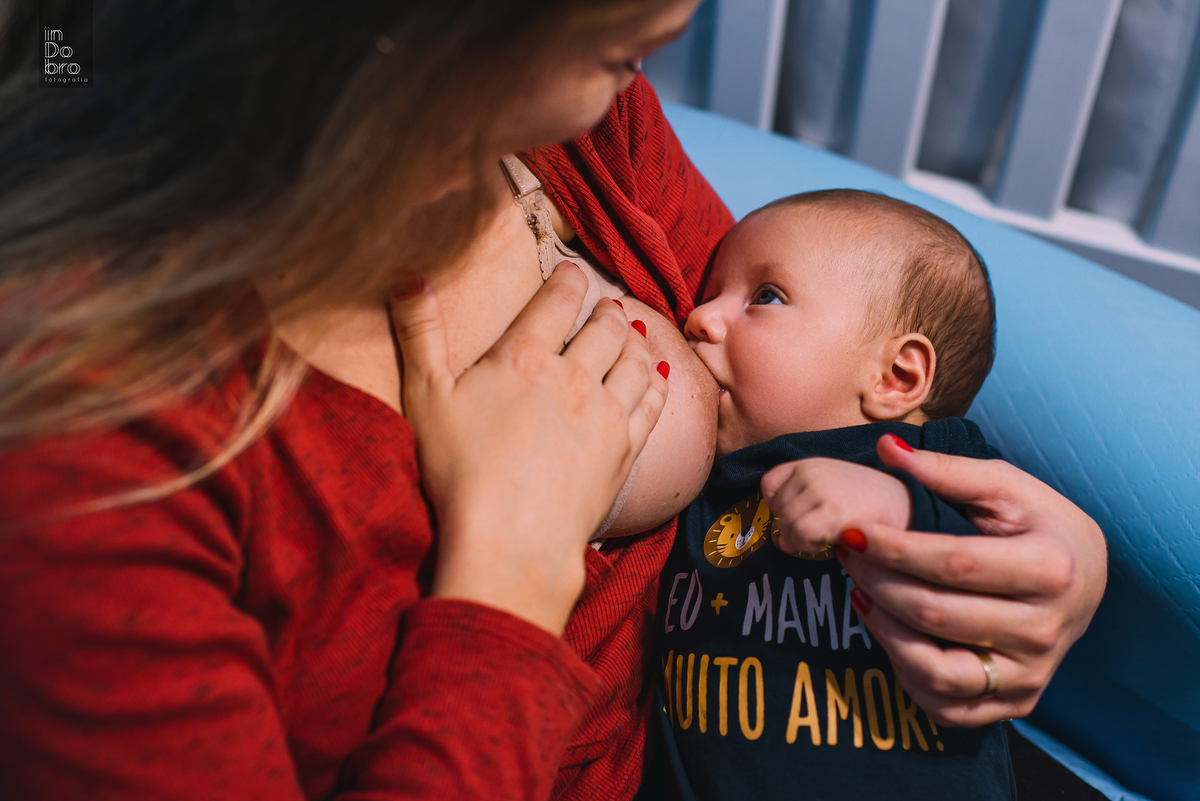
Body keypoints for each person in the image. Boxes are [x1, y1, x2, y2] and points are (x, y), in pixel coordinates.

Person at [0, 2, 1106, 800]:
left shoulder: (576, 121)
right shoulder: (98, 458)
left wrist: (1041, 563)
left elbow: (827, 360)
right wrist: (508, 576)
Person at [655, 189, 1013, 800]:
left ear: (895, 378)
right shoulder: (700, 475)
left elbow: (999, 571)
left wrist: (895, 507)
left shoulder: (927, 462)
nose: (700, 318)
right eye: (710, 293)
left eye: (764, 297)